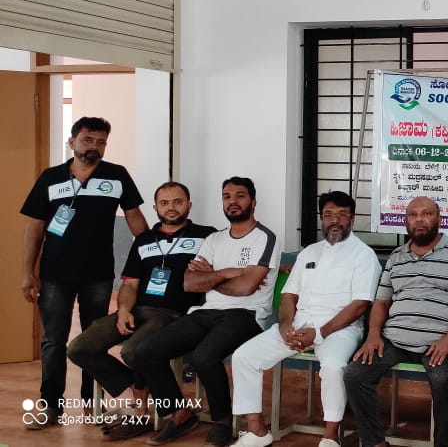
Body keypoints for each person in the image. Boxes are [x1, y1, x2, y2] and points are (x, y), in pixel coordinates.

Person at [20, 116, 148, 429]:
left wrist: (150, 256)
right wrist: (28, 272)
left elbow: (135, 217)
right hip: (54, 275)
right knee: (53, 341)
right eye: (88, 140)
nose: (95, 146)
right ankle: (51, 406)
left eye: (101, 142)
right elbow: (35, 228)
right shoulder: (51, 178)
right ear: (72, 142)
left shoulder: (116, 175)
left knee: (92, 341)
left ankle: (92, 404)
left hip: (98, 275)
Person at [133, 177, 281, 447]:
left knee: (204, 357)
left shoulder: (265, 238)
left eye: (240, 196)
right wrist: (227, 273)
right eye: (227, 196)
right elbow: (189, 283)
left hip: (246, 314)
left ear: (253, 202)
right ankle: (179, 413)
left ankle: (221, 422)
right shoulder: (214, 239)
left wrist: (211, 276)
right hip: (206, 311)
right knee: (146, 351)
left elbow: (246, 288)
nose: (232, 201)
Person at [65, 181, 216, 440]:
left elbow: (230, 263)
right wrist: (124, 310)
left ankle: (155, 411)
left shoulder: (207, 236)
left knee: (133, 350)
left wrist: (273, 267)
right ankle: (139, 396)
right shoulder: (144, 240)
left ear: (189, 205)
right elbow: (130, 284)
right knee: (78, 348)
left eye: (178, 202)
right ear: (155, 207)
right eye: (164, 203)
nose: (171, 208)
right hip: (138, 310)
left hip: (174, 314)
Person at [227, 191, 378, 447]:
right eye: (328, 215)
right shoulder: (309, 252)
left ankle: (330, 437)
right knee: (244, 357)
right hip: (298, 325)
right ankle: (257, 432)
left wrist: (318, 333)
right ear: (321, 218)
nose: (335, 221)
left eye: (342, 215)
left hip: (340, 329)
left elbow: (359, 306)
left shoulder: (363, 255)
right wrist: (286, 326)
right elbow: (289, 296)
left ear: (352, 219)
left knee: (333, 367)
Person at [344, 196, 448, 447]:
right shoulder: (396, 256)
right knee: (354, 375)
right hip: (393, 339)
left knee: (443, 380)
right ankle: (375, 442)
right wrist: (373, 334)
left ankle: (442, 443)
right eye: (413, 215)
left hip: (440, 340)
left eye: (426, 214)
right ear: (406, 221)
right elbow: (381, 302)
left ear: (439, 218)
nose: (419, 219)